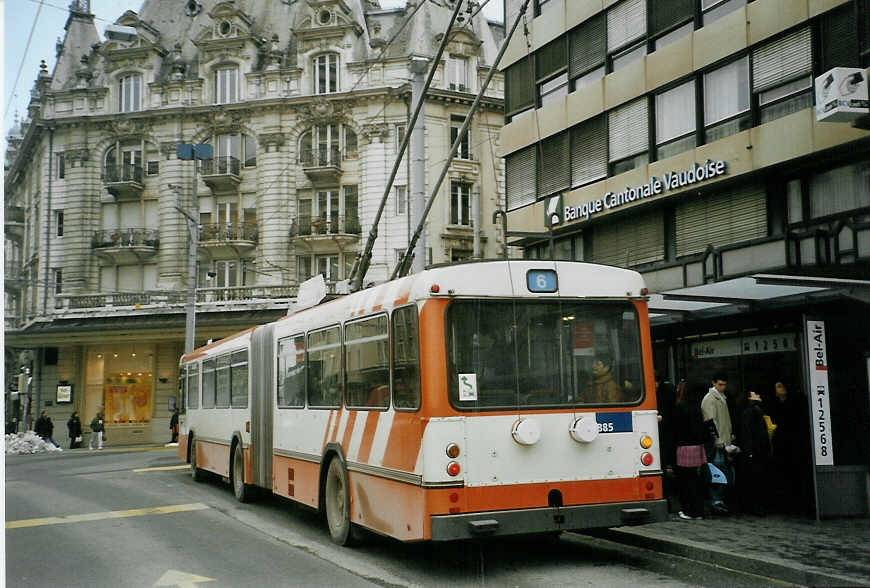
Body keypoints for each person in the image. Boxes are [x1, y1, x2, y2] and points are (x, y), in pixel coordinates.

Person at [768, 380, 811, 513]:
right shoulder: (775, 404)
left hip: (796, 443)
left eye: (781, 386)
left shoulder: (797, 401)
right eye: (777, 387)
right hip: (783, 444)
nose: (780, 389)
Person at [701, 372, 738, 514]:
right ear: (714, 383)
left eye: (724, 384)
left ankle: (718, 500)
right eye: (720, 384)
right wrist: (718, 439)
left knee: (721, 471)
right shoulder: (711, 399)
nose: (722, 387)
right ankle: (715, 500)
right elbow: (710, 421)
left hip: (724, 441)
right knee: (718, 471)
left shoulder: (720, 398)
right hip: (718, 442)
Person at [674, 381, 709, 520]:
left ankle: (689, 511)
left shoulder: (681, 407)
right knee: (697, 481)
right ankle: (699, 510)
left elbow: (676, 428)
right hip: (698, 447)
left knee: (686, 481)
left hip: (684, 447)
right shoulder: (699, 407)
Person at [734, 390, 771, 515]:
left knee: (753, 479)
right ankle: (756, 506)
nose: (759, 395)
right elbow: (749, 433)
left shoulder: (748, 411)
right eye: (756, 394)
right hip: (756, 450)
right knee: (757, 479)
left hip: (753, 450)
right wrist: (750, 450)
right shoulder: (753, 411)